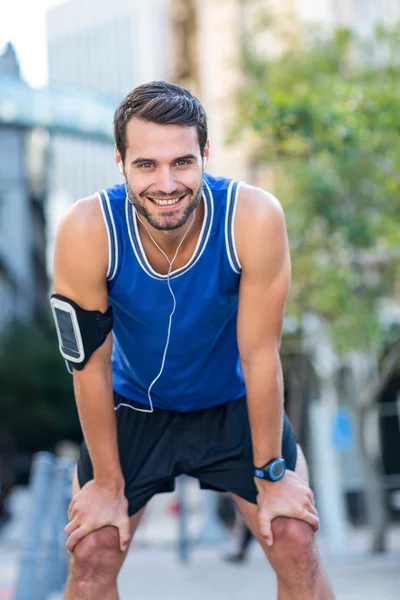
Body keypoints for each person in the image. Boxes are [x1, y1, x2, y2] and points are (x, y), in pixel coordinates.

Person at [51, 81, 334, 600]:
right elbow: (89, 365)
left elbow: (259, 354)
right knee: (92, 553)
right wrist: (108, 485)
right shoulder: (87, 229)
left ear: (205, 154)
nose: (166, 183)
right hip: (133, 408)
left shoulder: (252, 217)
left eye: (182, 162)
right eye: (146, 165)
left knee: (294, 539)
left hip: (232, 405)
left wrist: (272, 473)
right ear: (120, 161)